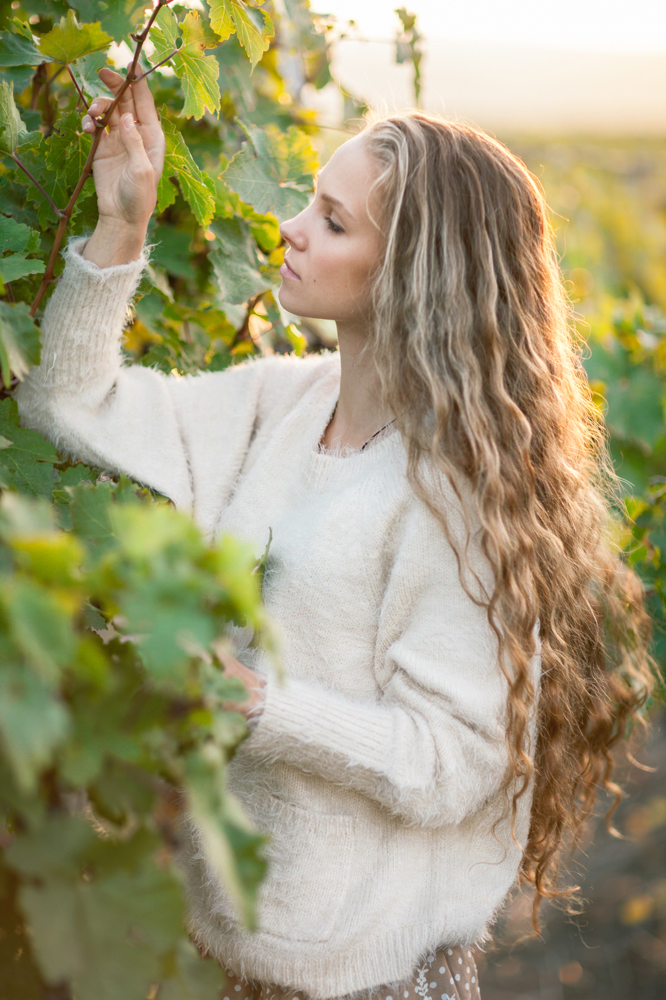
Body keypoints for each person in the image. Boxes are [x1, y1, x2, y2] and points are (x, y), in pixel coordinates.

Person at [16, 68, 655, 1000]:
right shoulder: (283, 402)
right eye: (311, 203)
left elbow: (452, 763)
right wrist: (121, 226)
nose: (293, 229)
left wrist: (261, 708)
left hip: (367, 974)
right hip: (232, 942)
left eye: (333, 219)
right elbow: (68, 404)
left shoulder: (451, 498)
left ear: (411, 272)